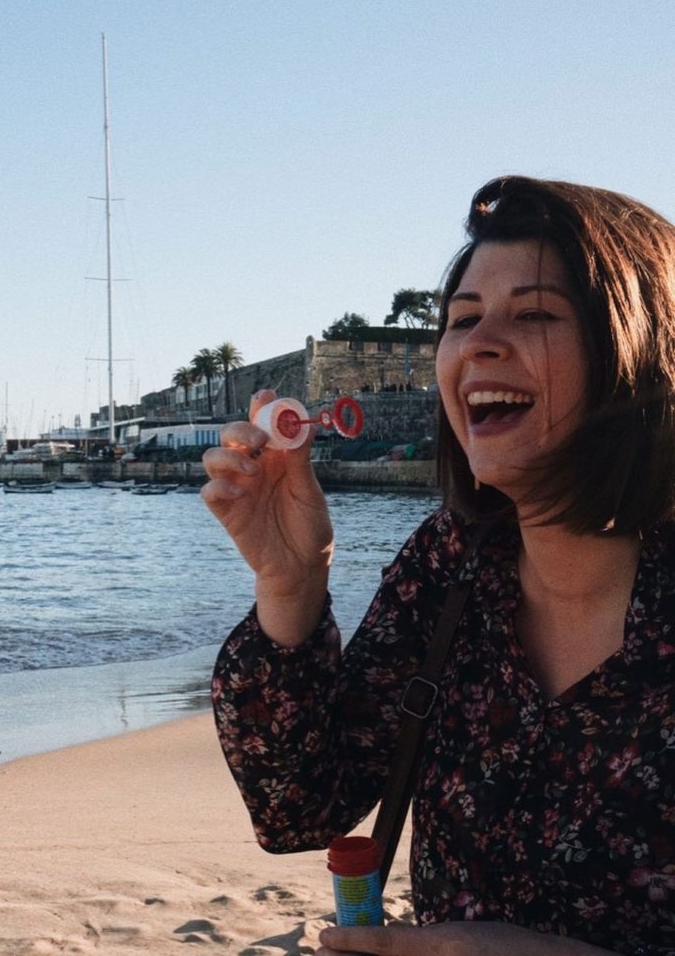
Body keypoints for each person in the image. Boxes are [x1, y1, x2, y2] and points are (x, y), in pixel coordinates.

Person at [202, 176, 675, 956]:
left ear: (637, 354)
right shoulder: (454, 561)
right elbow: (300, 808)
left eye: (535, 313)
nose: (479, 344)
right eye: (461, 320)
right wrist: (291, 585)